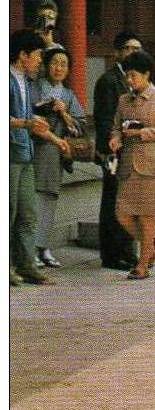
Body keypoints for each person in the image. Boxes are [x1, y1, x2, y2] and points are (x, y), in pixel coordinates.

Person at [109, 49, 155, 279]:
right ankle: (154, 249)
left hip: (151, 167)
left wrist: (141, 132)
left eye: (134, 76)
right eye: (127, 76)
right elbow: (116, 126)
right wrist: (116, 138)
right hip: (128, 168)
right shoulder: (123, 100)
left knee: (146, 217)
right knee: (123, 214)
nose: (129, 80)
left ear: (147, 75)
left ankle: (142, 264)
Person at [9, 28, 57, 285]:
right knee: (9, 211)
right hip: (9, 154)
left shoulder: (27, 82)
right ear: (22, 54)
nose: (40, 61)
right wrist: (28, 123)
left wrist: (35, 121)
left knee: (27, 212)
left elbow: (24, 118)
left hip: (24, 152)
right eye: (37, 54)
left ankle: (26, 264)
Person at [31, 43, 85, 268]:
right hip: (34, 150)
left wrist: (63, 112)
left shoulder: (69, 96)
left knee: (49, 200)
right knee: (31, 201)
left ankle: (43, 247)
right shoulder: (34, 88)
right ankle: (29, 248)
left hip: (56, 154)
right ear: (46, 65)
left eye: (64, 64)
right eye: (55, 62)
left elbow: (80, 127)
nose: (59, 67)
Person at [94, 31, 141, 270]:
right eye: (130, 49)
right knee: (112, 198)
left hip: (133, 151)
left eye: (137, 49)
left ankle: (127, 250)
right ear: (118, 52)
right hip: (112, 152)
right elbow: (104, 120)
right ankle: (111, 254)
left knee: (130, 199)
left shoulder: (137, 80)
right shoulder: (108, 81)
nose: (134, 53)